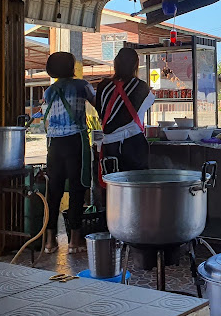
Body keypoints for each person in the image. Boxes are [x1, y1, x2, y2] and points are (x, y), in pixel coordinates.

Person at [41, 52, 96, 254]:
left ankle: (50, 241)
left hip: (54, 144)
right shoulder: (82, 86)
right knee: (77, 189)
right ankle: (74, 241)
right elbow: (98, 104)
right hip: (75, 142)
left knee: (53, 191)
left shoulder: (49, 91)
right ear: (71, 67)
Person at [96, 47, 155, 172]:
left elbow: (99, 109)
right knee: (136, 187)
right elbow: (148, 102)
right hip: (133, 144)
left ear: (115, 63)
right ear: (135, 65)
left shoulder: (103, 86)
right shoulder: (141, 87)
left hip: (109, 145)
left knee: (113, 187)